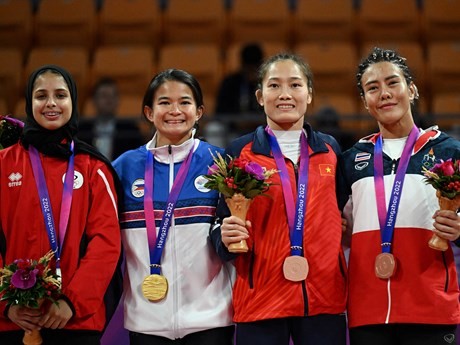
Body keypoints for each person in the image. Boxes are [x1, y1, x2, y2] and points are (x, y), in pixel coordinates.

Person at [211, 53, 347, 345]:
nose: (285, 94)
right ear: (260, 96)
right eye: (274, 86)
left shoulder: (330, 149)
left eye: (295, 85)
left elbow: (340, 212)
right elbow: (219, 221)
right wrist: (223, 237)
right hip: (260, 301)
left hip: (323, 300)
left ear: (309, 94)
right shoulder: (239, 151)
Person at [337, 47, 460, 345]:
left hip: (431, 306)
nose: (384, 94)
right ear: (365, 102)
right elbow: (333, 223)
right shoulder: (352, 160)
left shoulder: (448, 151)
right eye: (373, 88)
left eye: (393, 83)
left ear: (412, 89)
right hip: (368, 310)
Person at [0, 65, 122, 344]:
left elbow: (107, 243)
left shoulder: (93, 168)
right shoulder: (3, 164)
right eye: (41, 95)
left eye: (61, 95)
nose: (51, 103)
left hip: (74, 320)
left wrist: (72, 302)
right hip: (12, 321)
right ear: (29, 104)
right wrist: (6, 304)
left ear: (73, 102)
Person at [112, 69, 235, 345]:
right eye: (165, 102)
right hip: (146, 322)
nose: (175, 110)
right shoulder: (123, 168)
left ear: (199, 111)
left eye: (185, 102)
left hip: (211, 320)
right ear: (148, 111)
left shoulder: (220, 163)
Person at [79, 77, 144, 161]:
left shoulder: (130, 130)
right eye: (104, 96)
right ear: (94, 100)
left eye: (113, 95)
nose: (109, 100)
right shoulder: (82, 131)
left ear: (118, 100)